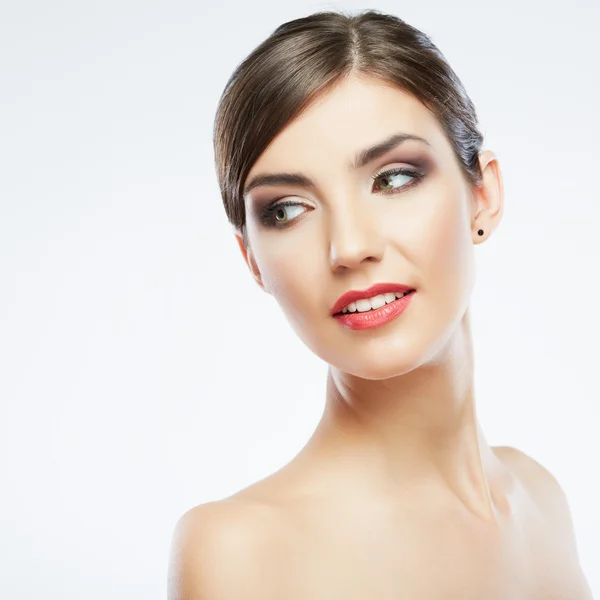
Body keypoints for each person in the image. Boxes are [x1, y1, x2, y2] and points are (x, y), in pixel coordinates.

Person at [168, 9, 593, 599]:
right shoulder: (242, 552)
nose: (350, 247)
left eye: (392, 178)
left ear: (484, 194)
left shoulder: (541, 498)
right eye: (286, 209)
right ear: (252, 260)